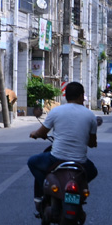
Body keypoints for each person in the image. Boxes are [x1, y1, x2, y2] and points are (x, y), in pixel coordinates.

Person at [28, 81, 99, 214]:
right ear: (81, 96)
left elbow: (42, 132)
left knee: (32, 162)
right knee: (93, 171)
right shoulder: (90, 116)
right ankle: (78, 188)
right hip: (80, 163)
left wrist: (35, 134)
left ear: (66, 96)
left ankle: (44, 187)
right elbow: (92, 143)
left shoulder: (56, 111)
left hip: (56, 158)